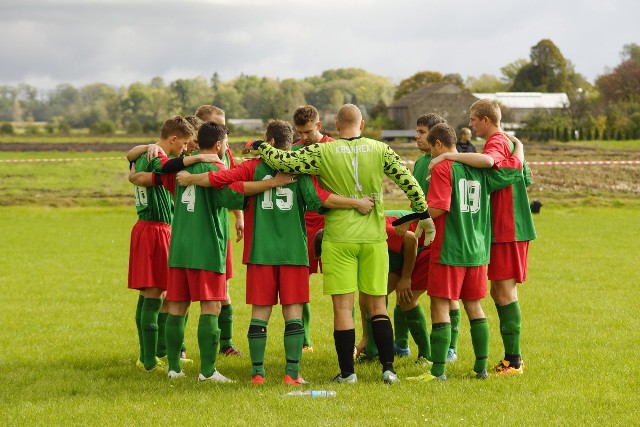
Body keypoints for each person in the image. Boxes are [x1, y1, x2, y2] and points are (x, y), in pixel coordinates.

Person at [176, 119, 374, 385]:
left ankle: (257, 373)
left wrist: (251, 190)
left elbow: (227, 191)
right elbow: (320, 201)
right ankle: (291, 374)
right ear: (288, 143)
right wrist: (354, 203)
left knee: (260, 313)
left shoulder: (251, 167)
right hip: (293, 252)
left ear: (268, 142)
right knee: (293, 312)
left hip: (260, 252)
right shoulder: (299, 169)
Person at [246, 104, 428, 384]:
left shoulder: (322, 151)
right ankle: (388, 370)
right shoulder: (380, 150)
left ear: (335, 125)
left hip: (339, 237)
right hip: (373, 238)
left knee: (343, 308)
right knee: (378, 305)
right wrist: (421, 214)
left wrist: (261, 145)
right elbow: (409, 183)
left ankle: (347, 373)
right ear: (362, 124)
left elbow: (283, 162)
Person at [408, 123, 524, 381]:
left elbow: (438, 208)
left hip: (449, 247)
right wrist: (519, 148)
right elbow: (513, 172)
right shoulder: (479, 168)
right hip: (478, 249)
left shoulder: (442, 166)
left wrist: (407, 220)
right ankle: (480, 369)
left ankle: (437, 372)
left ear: (438, 144)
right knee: (474, 306)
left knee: (439, 306)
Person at [430, 99, 536, 375]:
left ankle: (514, 360)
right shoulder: (508, 143)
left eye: (473, 119)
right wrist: (521, 149)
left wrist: (447, 156)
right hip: (508, 227)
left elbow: (492, 163)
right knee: (498, 293)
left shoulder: (495, 143)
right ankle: (510, 359)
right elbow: (524, 177)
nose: (470, 124)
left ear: (486, 120)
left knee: (503, 292)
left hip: (506, 227)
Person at [160, 121, 245, 382]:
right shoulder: (217, 168)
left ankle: (174, 368)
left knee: (177, 305)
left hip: (180, 247)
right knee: (211, 306)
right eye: (226, 144)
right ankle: (208, 371)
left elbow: (165, 180)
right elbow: (235, 198)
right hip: (207, 246)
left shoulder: (183, 166)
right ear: (218, 145)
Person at [127, 115, 195, 372]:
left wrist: (143, 147)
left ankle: (158, 352)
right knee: (154, 293)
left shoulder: (143, 154)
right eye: (185, 143)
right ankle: (148, 359)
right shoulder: (157, 159)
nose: (185, 149)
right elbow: (156, 174)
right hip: (155, 229)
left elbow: (130, 157)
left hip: (150, 228)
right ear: (173, 139)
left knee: (154, 293)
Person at [403, 113, 461, 363]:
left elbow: (438, 206)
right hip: (420, 234)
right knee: (406, 292)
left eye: (422, 132)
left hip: (438, 237)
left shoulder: (445, 164)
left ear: (437, 137)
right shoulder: (419, 163)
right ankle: (401, 345)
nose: (417, 137)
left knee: (443, 297)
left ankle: (442, 351)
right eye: (416, 132)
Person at [195, 105, 244, 357]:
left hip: (218, 226)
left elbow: (232, 182)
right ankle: (177, 349)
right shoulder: (190, 153)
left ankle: (226, 343)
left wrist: (239, 216)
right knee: (179, 291)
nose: (225, 131)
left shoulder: (225, 151)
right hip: (194, 227)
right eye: (218, 125)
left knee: (222, 286)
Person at [291, 105, 334, 353]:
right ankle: (305, 339)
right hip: (302, 224)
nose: (304, 137)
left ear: (318, 126)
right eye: (300, 132)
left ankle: (347, 343)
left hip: (330, 222)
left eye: (308, 131)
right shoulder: (295, 151)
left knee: (341, 283)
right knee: (299, 283)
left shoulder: (334, 149)